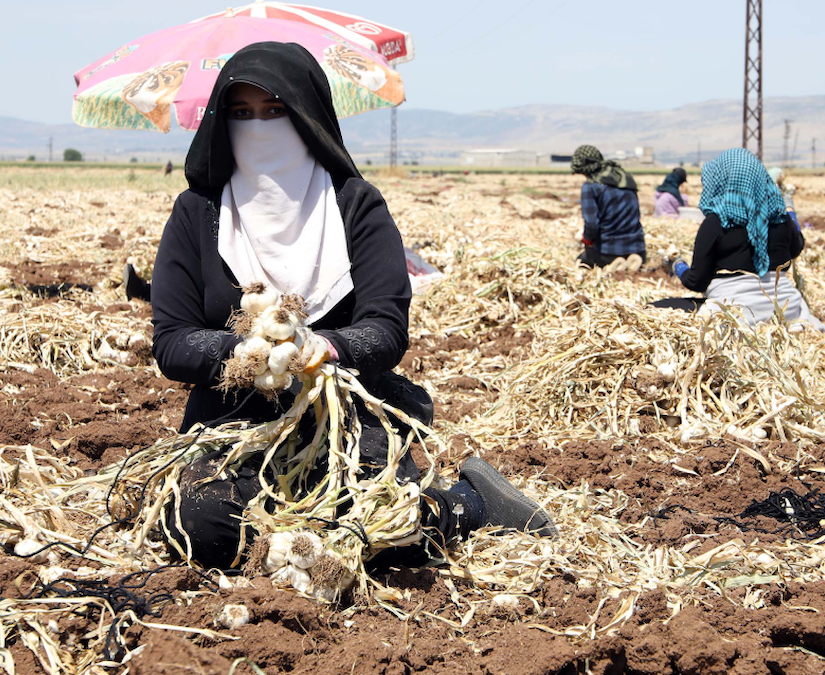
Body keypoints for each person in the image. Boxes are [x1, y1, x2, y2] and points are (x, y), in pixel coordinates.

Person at [150, 42, 555, 571]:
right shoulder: (197, 213)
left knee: (385, 524)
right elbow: (172, 341)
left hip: (346, 418)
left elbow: (387, 329)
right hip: (232, 423)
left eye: (275, 110)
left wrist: (323, 346)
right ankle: (302, 554)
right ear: (220, 122)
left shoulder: (354, 204)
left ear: (306, 115)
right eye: (242, 113)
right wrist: (248, 354)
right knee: (197, 523)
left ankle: (469, 501)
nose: (260, 127)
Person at [660, 148, 824, 329]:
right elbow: (797, 247)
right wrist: (789, 208)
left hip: (736, 314)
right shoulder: (780, 217)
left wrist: (677, 264)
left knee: (657, 307)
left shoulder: (716, 223)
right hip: (786, 311)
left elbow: (697, 281)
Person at [570, 145, 646, 270]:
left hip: (608, 251)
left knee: (581, 262)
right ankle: (632, 262)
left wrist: (587, 241)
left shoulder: (591, 186)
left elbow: (592, 224)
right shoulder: (624, 177)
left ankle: (612, 265)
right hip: (638, 248)